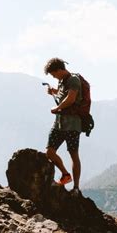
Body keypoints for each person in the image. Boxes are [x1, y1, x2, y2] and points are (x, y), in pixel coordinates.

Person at [44, 57, 82, 194]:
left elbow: (71, 98)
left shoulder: (73, 80)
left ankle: (76, 187)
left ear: (60, 70)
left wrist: (57, 108)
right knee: (49, 151)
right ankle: (66, 175)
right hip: (59, 123)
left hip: (72, 124)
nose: (54, 77)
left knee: (73, 154)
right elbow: (64, 95)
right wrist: (54, 91)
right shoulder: (62, 81)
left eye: (54, 74)